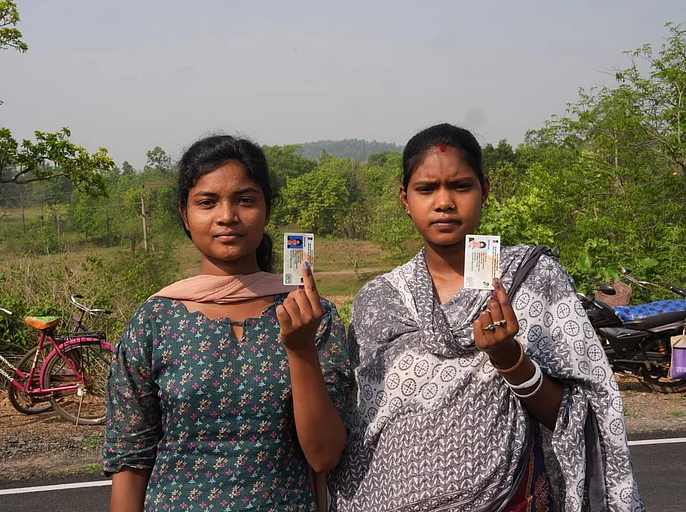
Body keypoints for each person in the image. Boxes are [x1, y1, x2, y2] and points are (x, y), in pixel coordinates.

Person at [329, 124, 643, 511]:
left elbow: (577, 414)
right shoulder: (377, 301)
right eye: (426, 189)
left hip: (505, 499)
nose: (444, 202)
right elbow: (357, 426)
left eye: (460, 186)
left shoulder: (530, 279)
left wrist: (511, 361)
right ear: (404, 199)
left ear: (485, 190)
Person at [103, 135, 352, 512]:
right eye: (207, 202)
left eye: (245, 200)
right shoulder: (155, 320)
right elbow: (130, 457)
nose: (227, 216)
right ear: (185, 216)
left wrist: (300, 349)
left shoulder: (311, 314)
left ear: (267, 209)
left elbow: (324, 456)